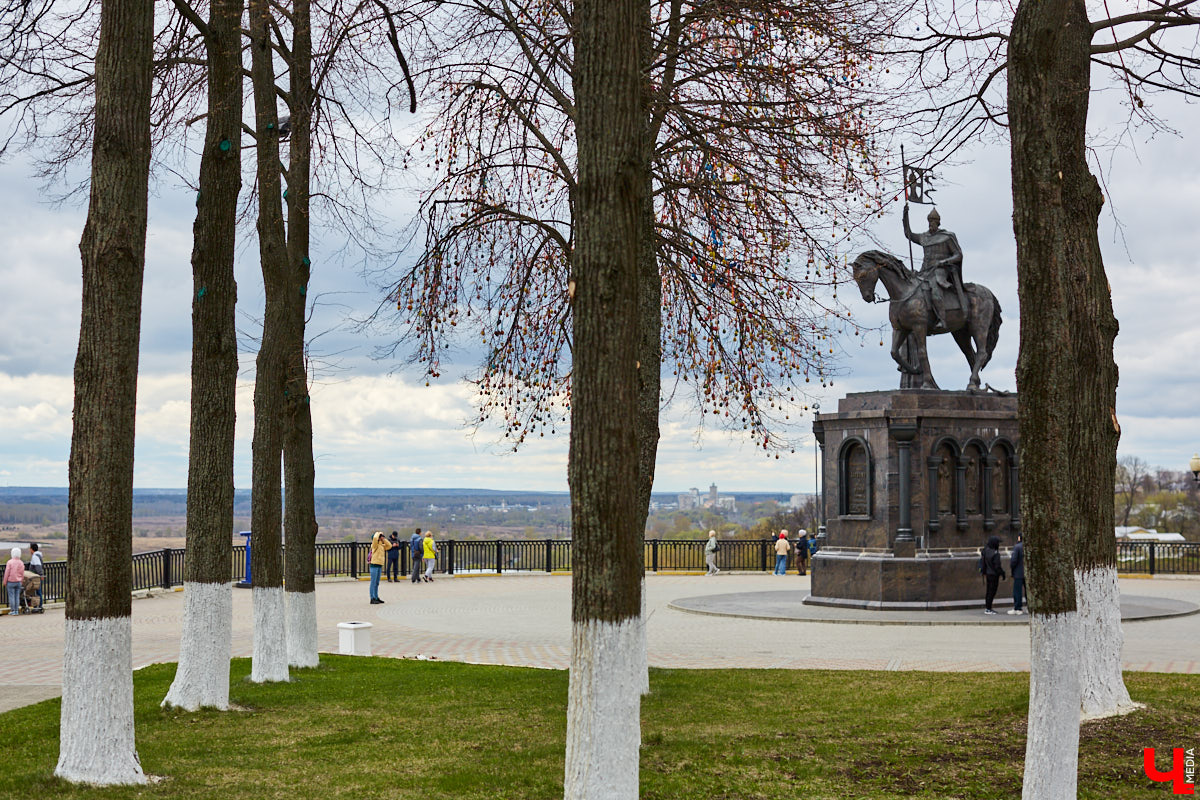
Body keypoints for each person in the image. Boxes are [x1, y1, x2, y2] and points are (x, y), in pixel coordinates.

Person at [902, 205, 964, 329]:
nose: (931, 224)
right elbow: (908, 234)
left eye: (933, 222)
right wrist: (905, 217)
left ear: (938, 223)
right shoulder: (924, 237)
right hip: (924, 271)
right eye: (930, 221)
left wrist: (945, 261)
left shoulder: (947, 236)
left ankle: (942, 320)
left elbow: (958, 255)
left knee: (935, 291)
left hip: (941, 270)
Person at [980, 535, 1005, 615]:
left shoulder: (986, 551)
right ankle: (988, 608)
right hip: (994, 574)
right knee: (992, 591)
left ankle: (988, 607)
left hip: (988, 573)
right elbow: (997, 566)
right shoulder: (995, 553)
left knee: (988, 591)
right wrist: (1002, 573)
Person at [368, 531, 391, 604]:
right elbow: (374, 538)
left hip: (379, 565)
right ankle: (372, 598)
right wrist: (378, 533)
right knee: (373, 582)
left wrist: (383, 539)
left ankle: (376, 597)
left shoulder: (381, 545)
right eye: (380, 537)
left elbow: (389, 546)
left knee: (377, 582)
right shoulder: (374, 545)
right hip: (374, 565)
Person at [1008, 533, 1026, 615]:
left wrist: (1012, 567)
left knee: (1017, 591)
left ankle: (1018, 608)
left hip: (1018, 573)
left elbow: (1014, 560)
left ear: (1019, 538)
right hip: (1027, 573)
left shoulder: (1017, 547)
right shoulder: (1029, 546)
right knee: (1028, 591)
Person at [4, 547, 25, 616]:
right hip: (18, 582)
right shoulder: (21, 563)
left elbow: (7, 572)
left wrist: (4, 581)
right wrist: (21, 580)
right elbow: (22, 573)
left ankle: (13, 610)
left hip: (10, 582)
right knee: (17, 596)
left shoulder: (10, 562)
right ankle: (16, 610)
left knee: (11, 596)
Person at [27, 542, 43, 609]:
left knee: (37, 592)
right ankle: (38, 605)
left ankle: (38, 606)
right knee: (38, 591)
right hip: (37, 577)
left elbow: (38, 566)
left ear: (31, 549)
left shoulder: (35, 556)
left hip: (36, 577)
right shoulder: (38, 555)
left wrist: (40, 574)